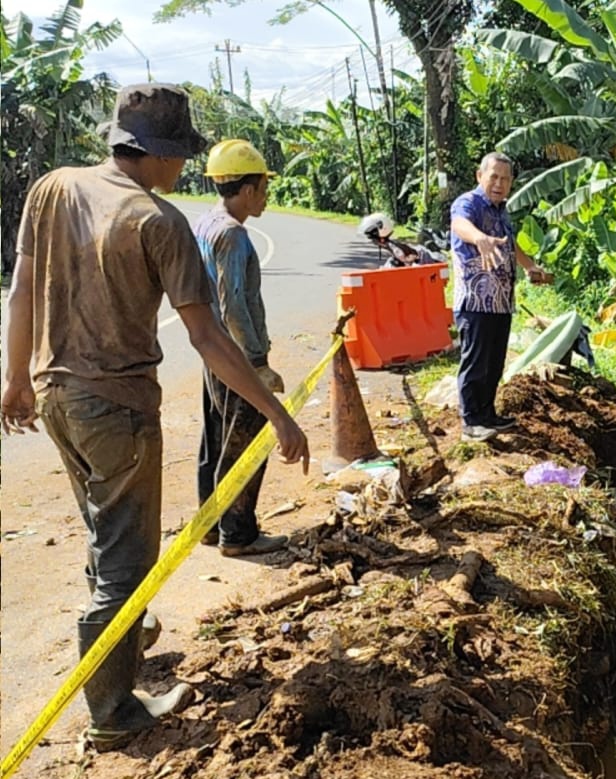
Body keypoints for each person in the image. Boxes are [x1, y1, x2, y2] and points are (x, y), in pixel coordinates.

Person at [1, 84, 310, 752]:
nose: (184, 171)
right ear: (161, 153)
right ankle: (113, 707)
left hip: (57, 398)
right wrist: (277, 413)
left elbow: (22, 287)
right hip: (117, 407)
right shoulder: (157, 219)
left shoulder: (52, 187)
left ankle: (123, 633)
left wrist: (13, 378)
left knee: (102, 529)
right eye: (181, 157)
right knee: (125, 559)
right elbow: (209, 340)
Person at [194, 139, 290, 557]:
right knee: (244, 444)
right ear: (248, 189)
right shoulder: (233, 235)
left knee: (215, 439)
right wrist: (257, 364)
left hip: (212, 352)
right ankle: (238, 533)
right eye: (264, 187)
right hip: (236, 358)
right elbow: (234, 302)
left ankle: (211, 525)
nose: (266, 196)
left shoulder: (206, 224)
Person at [449, 152, 552, 443]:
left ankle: (487, 414)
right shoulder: (469, 203)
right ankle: (471, 422)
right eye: (494, 176)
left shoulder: (501, 211)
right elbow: (459, 224)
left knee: (494, 363)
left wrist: (529, 265)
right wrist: (479, 238)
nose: (499, 183)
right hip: (475, 300)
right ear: (479, 176)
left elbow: (510, 244)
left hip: (501, 302)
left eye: (505, 179)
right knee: (476, 361)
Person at [358, 212, 442, 268]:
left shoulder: (394, 248)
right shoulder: (391, 245)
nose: (373, 241)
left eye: (373, 236)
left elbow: (408, 262)